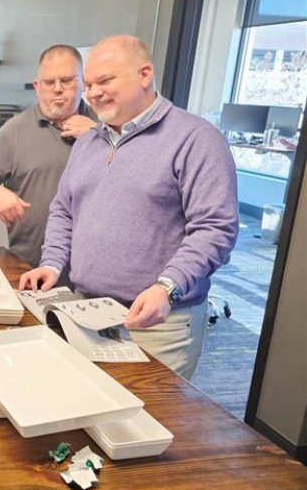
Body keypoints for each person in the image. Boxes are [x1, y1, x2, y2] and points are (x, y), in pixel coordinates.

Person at [19, 35, 239, 379]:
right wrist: (52, 262)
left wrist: (168, 286)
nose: (93, 93)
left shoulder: (196, 139)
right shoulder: (90, 140)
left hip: (158, 323)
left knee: (148, 425)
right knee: (89, 415)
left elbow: (215, 229)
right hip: (86, 311)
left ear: (145, 74)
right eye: (89, 84)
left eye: (105, 81)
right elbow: (64, 209)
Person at [0, 44, 96, 267]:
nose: (58, 89)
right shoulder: (15, 130)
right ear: (37, 86)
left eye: (66, 80)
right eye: (49, 82)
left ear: (83, 82)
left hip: (93, 266)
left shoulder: (107, 126)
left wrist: (97, 136)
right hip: (30, 264)